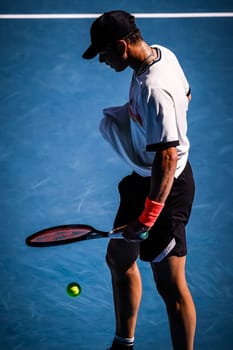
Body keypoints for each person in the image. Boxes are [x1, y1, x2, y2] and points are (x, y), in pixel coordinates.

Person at [82, 10, 196, 350]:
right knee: (119, 258)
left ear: (121, 46)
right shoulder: (161, 53)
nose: (102, 60)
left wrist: (147, 219)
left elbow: (167, 156)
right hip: (144, 177)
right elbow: (187, 95)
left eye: (104, 53)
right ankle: (123, 343)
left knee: (171, 288)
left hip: (166, 188)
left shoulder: (154, 89)